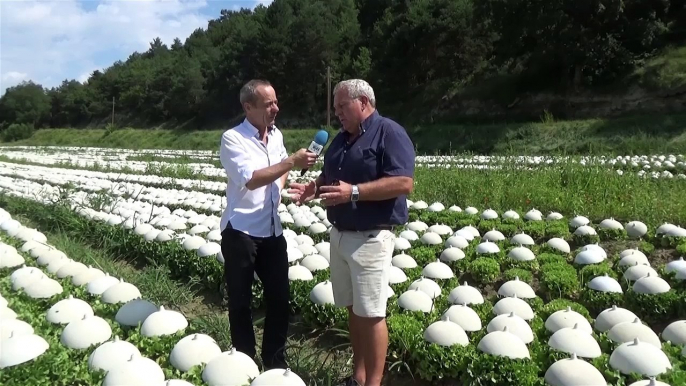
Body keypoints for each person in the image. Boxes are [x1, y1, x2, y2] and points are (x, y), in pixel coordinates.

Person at [288, 79, 415, 386]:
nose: (337, 114)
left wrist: (354, 193)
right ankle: (357, 378)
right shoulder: (342, 138)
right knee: (354, 310)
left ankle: (373, 383)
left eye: (342, 106)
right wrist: (314, 187)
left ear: (362, 103)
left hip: (371, 238)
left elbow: (403, 183)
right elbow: (331, 174)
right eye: (335, 108)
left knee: (371, 314)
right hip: (341, 235)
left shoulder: (389, 132)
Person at [219, 79, 317, 371]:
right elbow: (250, 178)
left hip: (273, 231)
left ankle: (275, 362)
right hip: (241, 231)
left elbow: (277, 174)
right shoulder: (232, 139)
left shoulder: (276, 136)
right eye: (268, 104)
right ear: (248, 107)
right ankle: (244, 362)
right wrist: (290, 162)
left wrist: (283, 184)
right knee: (240, 301)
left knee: (280, 298)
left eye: (276, 102)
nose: (276, 108)